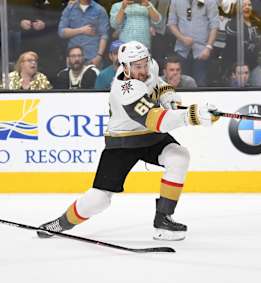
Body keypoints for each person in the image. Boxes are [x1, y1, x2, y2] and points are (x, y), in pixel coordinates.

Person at [37, 41, 219, 241]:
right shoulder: (124, 89)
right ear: (125, 67)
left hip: (149, 137)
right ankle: (60, 223)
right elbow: (154, 120)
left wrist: (171, 100)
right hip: (122, 141)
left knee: (179, 156)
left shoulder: (150, 66)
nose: (142, 69)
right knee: (99, 200)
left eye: (144, 64)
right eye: (137, 66)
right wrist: (192, 116)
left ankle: (163, 220)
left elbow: (159, 85)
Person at [168, 0, 220, 86]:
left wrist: (208, 47)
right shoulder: (175, 1)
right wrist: (182, 38)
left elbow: (214, 25)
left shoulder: (210, 1)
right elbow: (171, 23)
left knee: (201, 85)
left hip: (202, 52)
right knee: (181, 84)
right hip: (182, 51)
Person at [223, 0, 261, 87]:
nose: (247, 7)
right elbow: (234, 45)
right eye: (244, 5)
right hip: (236, 65)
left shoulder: (257, 23)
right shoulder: (231, 25)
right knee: (238, 87)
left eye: (249, 5)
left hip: (252, 64)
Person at [58, 0, 110, 68]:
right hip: (73, 57)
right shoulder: (69, 9)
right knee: (72, 78)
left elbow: (104, 35)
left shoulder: (100, 10)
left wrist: (99, 56)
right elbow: (61, 32)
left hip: (92, 57)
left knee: (93, 78)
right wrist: (81, 30)